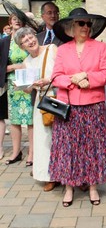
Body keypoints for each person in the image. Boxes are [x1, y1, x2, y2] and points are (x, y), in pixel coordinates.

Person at [49, 8, 106, 207]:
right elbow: (55, 77)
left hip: (93, 106)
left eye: (88, 24)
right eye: (81, 23)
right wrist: (73, 79)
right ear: (71, 27)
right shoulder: (62, 50)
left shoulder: (100, 48)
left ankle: (93, 187)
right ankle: (69, 188)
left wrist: (88, 77)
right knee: (68, 148)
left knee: (93, 148)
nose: (86, 27)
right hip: (68, 108)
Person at [13, 27, 59, 192]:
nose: (30, 41)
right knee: (44, 140)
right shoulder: (27, 62)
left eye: (31, 37)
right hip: (42, 103)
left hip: (59, 97)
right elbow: (28, 89)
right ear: (22, 46)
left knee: (64, 138)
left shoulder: (51, 49)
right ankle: (50, 176)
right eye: (25, 41)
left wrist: (48, 80)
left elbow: (64, 70)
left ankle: (72, 174)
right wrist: (21, 85)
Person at [2, 13, 33, 166]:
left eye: (20, 20)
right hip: (13, 84)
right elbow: (2, 65)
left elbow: (34, 60)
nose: (17, 22)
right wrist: (13, 67)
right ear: (10, 22)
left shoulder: (28, 38)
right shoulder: (5, 41)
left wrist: (15, 66)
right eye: (14, 19)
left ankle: (32, 154)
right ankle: (16, 152)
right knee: (14, 120)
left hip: (28, 82)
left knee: (31, 120)